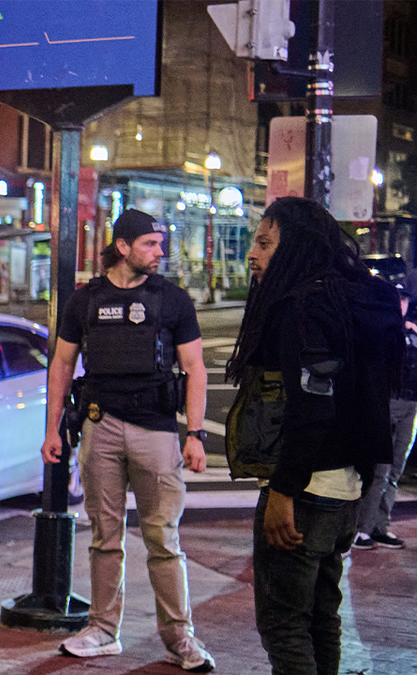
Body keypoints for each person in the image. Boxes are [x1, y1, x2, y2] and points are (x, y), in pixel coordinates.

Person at [226, 197, 402, 675]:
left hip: (305, 490)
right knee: (322, 615)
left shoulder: (302, 307)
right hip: (347, 487)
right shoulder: (355, 299)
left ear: (295, 247)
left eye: (265, 243)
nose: (252, 254)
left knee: (284, 625)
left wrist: (283, 491)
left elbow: (311, 407)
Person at [41, 209, 214, 672]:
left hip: (155, 428)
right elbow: (62, 365)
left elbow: (195, 369)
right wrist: (52, 429)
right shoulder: (85, 301)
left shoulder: (172, 299)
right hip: (100, 425)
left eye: (160, 244)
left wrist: (195, 434)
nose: (160, 252)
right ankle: (102, 630)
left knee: (163, 538)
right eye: (150, 244)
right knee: (105, 537)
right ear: (122, 247)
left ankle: (179, 638)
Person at [351, 269, 417, 551]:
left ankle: (380, 526)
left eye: (405, 299)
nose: (401, 303)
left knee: (395, 470)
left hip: (410, 404)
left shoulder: (412, 331)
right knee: (379, 470)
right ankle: (362, 530)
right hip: (388, 403)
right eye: (397, 298)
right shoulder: (383, 330)